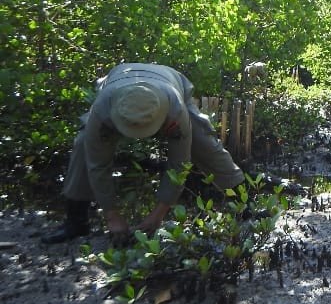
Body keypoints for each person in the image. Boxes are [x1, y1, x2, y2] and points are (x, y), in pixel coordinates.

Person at [43, 63, 245, 245]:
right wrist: (111, 215)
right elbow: (98, 164)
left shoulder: (174, 107)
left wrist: (158, 215)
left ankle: (243, 203)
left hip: (168, 81)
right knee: (82, 144)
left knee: (203, 142)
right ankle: (76, 221)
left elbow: (179, 164)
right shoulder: (103, 108)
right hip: (118, 84)